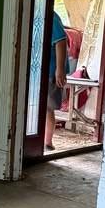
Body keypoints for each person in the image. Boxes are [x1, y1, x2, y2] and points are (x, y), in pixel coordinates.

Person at [44, 11, 68, 151]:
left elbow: (61, 41)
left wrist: (59, 69)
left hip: (50, 70)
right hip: (39, 70)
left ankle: (47, 142)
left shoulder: (50, 16)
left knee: (47, 108)